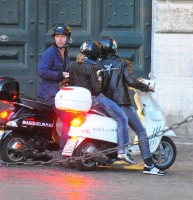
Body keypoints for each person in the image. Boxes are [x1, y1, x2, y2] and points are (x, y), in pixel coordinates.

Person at [98, 36, 165, 176]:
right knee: (140, 131)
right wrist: (146, 87)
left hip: (105, 104)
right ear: (114, 47)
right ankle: (149, 165)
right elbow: (131, 81)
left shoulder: (99, 64)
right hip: (121, 104)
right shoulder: (123, 62)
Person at [68, 40, 135, 164]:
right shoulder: (91, 67)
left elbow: (71, 83)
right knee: (122, 118)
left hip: (81, 100)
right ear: (95, 54)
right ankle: (123, 151)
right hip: (95, 99)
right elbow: (96, 89)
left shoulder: (72, 66)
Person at [37, 23, 72, 152]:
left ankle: (55, 142)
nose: (60, 39)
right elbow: (42, 71)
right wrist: (60, 74)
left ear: (67, 38)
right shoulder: (50, 53)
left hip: (58, 92)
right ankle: (66, 150)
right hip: (49, 94)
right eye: (57, 36)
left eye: (63, 36)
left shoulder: (65, 52)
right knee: (68, 118)